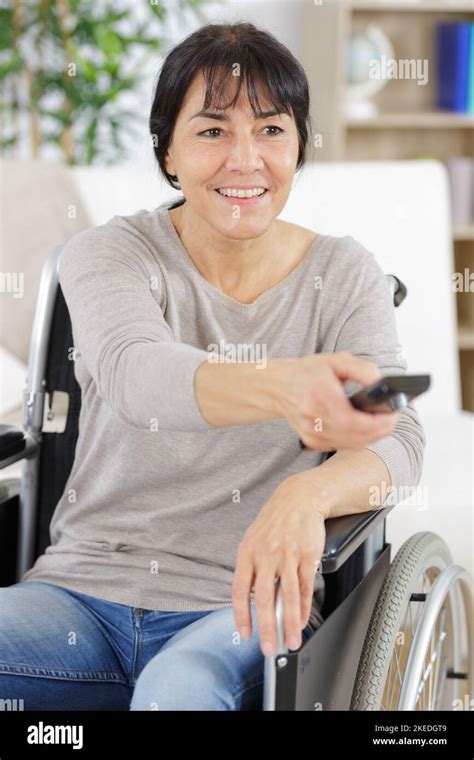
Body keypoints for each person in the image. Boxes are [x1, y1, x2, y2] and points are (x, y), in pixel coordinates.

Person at [0, 21, 425, 711]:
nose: (245, 160)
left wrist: (305, 496)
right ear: (167, 150)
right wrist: (284, 387)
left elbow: (400, 441)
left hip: (237, 609)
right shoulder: (109, 254)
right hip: (77, 597)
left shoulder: (344, 273)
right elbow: (137, 374)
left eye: (270, 130)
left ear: (298, 147)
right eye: (212, 131)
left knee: (177, 693)